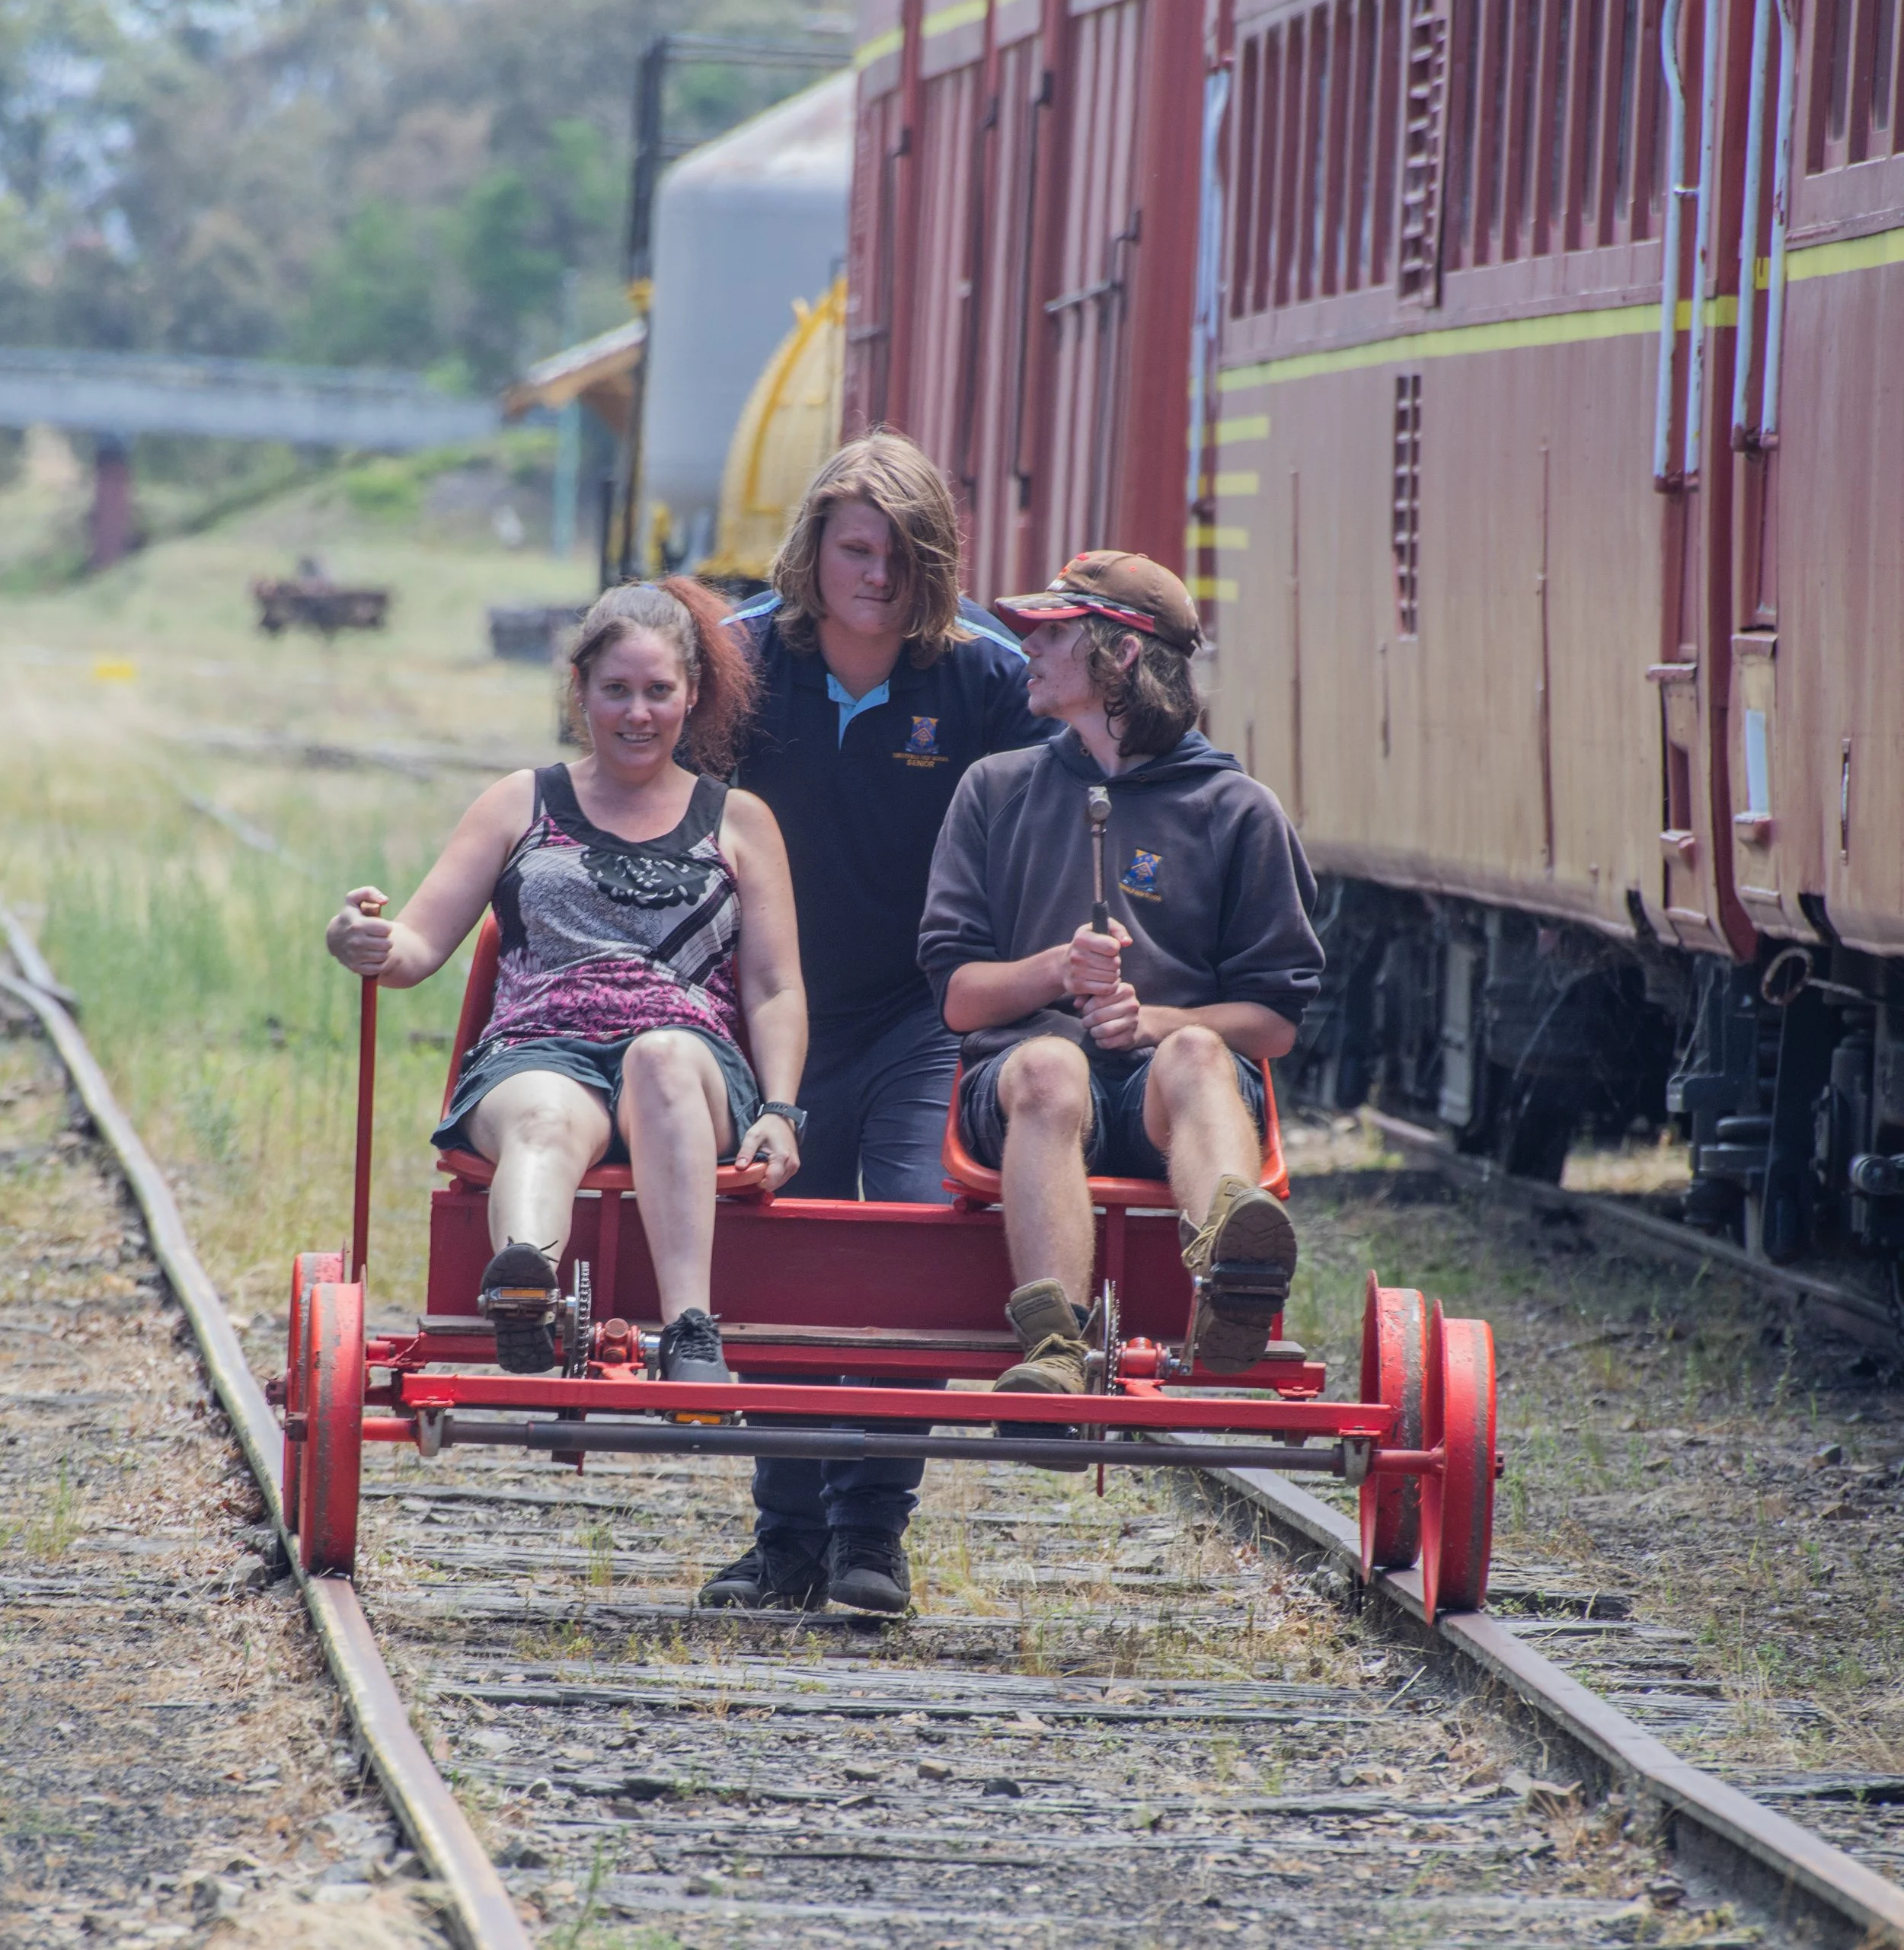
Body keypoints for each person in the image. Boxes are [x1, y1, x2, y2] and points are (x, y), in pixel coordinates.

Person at [696, 431, 1049, 1616]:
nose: (879, 575)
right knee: (780, 1255)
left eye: (903, 554)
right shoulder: (738, 661)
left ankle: (870, 1535)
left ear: (935, 562)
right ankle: (785, 1532)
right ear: (815, 549)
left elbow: (1059, 828)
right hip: (770, 1009)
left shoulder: (989, 679)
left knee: (904, 1245)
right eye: (858, 548)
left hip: (920, 1012)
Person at [324, 579, 806, 1384]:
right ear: (579, 691)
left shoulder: (738, 819)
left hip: (687, 1064)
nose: (637, 713)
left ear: (691, 696)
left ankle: (690, 1333)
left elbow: (774, 988)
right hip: (540, 1050)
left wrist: (783, 1112)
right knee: (544, 1114)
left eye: (658, 691)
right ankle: (525, 1292)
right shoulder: (521, 801)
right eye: (615, 690)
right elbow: (414, 945)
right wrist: (361, 938)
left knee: (660, 1058)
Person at [918, 551, 1325, 1408]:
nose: (1024, 645)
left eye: (1051, 632)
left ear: (1123, 654)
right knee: (1047, 1066)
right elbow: (958, 999)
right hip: (1026, 1096)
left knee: (1200, 1054)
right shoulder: (994, 791)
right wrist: (1054, 972)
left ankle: (1232, 1283)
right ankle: (1057, 1349)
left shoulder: (1238, 811)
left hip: (1162, 1102)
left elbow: (1275, 1025)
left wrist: (1156, 1020)